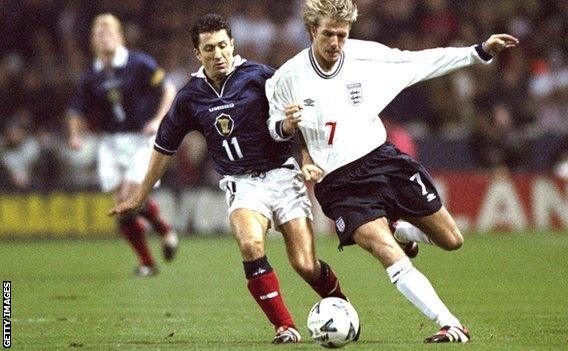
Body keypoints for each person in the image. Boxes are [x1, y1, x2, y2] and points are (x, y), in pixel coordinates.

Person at [266, 0, 518, 343]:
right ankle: (450, 323)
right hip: (340, 184)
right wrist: (285, 128)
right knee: (387, 252)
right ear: (312, 30)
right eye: (328, 34)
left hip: (385, 162)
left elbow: (422, 62)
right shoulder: (287, 78)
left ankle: (399, 227)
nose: (336, 43)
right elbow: (273, 127)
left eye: (342, 35)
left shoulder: (368, 57)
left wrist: (479, 51)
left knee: (452, 240)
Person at [109, 14, 347, 344]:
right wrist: (138, 196)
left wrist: (307, 158)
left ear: (232, 44)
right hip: (242, 184)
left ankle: (343, 308)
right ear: (198, 53)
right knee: (250, 244)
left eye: (223, 45)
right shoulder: (190, 97)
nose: (218, 53)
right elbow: (164, 147)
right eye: (209, 48)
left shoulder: (260, 76)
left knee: (305, 265)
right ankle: (284, 326)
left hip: (282, 176)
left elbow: (296, 117)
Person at [67, 13, 178, 277]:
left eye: (110, 32)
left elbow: (168, 89)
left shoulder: (138, 63)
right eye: (99, 33)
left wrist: (158, 120)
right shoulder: (92, 75)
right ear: (94, 40)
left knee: (130, 194)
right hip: (111, 142)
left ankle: (162, 233)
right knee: (121, 206)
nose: (105, 36)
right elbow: (76, 109)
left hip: (141, 139)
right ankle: (151, 257)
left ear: (120, 36)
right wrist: (74, 134)